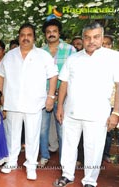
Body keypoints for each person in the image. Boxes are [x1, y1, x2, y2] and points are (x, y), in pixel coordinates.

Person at [53, 22, 119, 187]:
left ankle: (90, 181)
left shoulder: (113, 57)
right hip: (71, 112)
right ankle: (67, 175)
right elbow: (64, 83)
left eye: (96, 37)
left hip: (98, 114)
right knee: (68, 146)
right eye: (88, 37)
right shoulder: (73, 58)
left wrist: (116, 113)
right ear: (83, 38)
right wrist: (59, 107)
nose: (91, 41)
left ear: (102, 37)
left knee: (94, 149)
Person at [0, 23, 58, 180]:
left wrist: (51, 97)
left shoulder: (43, 55)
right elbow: (0, 75)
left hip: (34, 104)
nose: (25, 38)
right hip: (12, 103)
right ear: (19, 37)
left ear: (34, 37)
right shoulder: (10, 55)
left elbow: (53, 75)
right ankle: (11, 162)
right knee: (12, 134)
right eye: (22, 35)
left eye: (29, 35)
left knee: (32, 136)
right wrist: (0, 96)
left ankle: (31, 166)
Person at [39, 19, 76, 167]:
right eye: (48, 32)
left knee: (63, 131)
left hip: (63, 96)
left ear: (59, 33)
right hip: (44, 96)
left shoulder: (70, 50)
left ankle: (64, 162)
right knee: (42, 129)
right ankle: (44, 155)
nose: (51, 34)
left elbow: (73, 75)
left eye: (54, 31)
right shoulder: (41, 52)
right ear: (45, 35)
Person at [102, 34, 115, 163]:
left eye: (107, 43)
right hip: (97, 103)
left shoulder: (115, 59)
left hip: (111, 103)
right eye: (103, 43)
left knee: (108, 131)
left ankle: (105, 154)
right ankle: (82, 158)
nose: (105, 46)